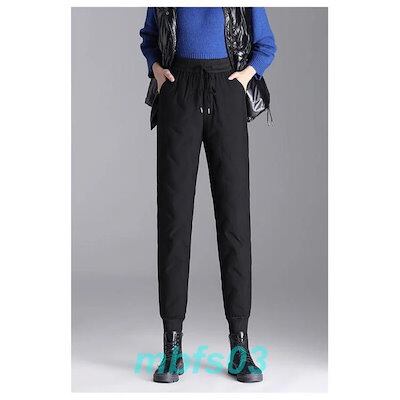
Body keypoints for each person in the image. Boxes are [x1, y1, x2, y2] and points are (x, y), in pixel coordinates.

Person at [139, 7, 276, 383]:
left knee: (235, 221)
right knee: (173, 219)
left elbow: (266, 45)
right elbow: (149, 38)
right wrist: (157, 70)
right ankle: (172, 347)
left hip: (227, 88)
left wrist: (243, 79)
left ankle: (240, 347)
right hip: (178, 90)